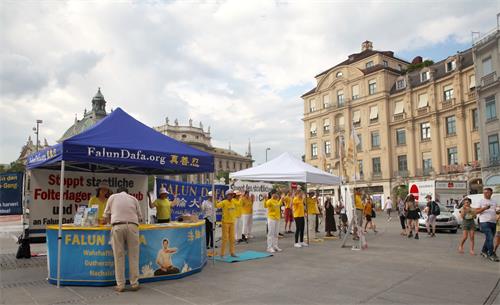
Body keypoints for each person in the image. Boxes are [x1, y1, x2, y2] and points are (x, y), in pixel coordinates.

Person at [103, 187, 143, 292]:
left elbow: (105, 216)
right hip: (132, 226)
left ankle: (120, 285)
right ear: (128, 193)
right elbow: (140, 217)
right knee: (134, 256)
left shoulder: (112, 197)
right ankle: (134, 284)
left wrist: (108, 222)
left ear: (117, 192)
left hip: (118, 226)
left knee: (118, 256)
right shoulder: (133, 199)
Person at [476, 187, 499, 262]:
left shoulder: (494, 201)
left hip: (493, 222)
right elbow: (476, 211)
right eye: (484, 192)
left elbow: (496, 211)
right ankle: (491, 254)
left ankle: (483, 251)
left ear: (491, 193)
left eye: (487, 192)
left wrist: (498, 211)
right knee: (490, 236)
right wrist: (484, 208)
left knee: (489, 238)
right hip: (484, 222)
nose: (485, 194)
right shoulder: (481, 201)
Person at [216, 189, 237, 258]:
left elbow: (239, 204)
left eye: (232, 195)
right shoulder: (224, 202)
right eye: (230, 195)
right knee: (225, 239)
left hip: (232, 222)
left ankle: (232, 252)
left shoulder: (234, 202)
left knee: (232, 238)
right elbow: (216, 206)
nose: (231, 196)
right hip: (225, 222)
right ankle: (222, 254)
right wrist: (215, 199)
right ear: (227, 195)